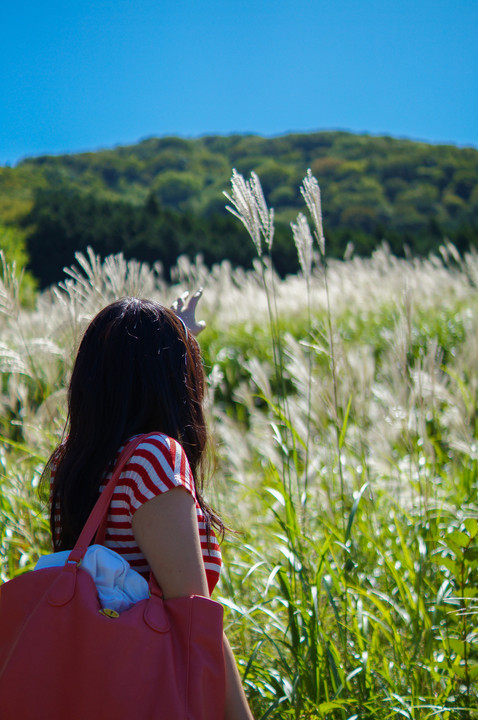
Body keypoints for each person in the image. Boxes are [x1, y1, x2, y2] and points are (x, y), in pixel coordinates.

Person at [43, 294, 254, 720]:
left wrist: (181, 340)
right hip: (153, 690)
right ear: (170, 379)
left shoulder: (74, 461)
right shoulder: (155, 458)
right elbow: (195, 618)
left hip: (91, 686)